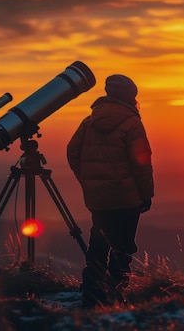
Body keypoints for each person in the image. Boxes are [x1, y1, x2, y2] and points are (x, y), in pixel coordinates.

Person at [67, 74, 154, 308]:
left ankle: (92, 295)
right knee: (123, 248)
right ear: (130, 97)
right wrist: (147, 195)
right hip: (127, 199)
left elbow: (72, 153)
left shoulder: (88, 122)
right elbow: (142, 163)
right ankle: (115, 296)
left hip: (99, 199)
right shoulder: (132, 123)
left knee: (98, 245)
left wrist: (89, 181)